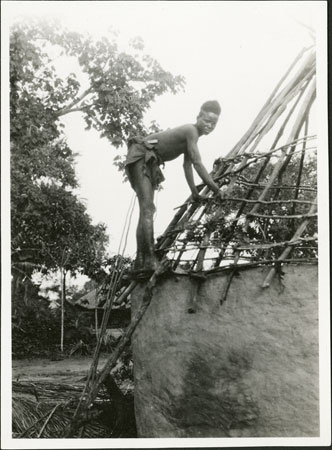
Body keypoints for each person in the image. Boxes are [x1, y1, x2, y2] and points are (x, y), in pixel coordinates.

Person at [125, 100, 223, 278]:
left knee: (146, 209)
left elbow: (187, 166)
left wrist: (194, 192)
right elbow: (197, 163)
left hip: (148, 159)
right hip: (141, 156)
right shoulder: (191, 131)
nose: (209, 126)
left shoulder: (192, 137)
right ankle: (148, 260)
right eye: (207, 120)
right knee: (147, 208)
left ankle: (142, 261)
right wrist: (217, 190)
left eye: (213, 124)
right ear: (198, 116)